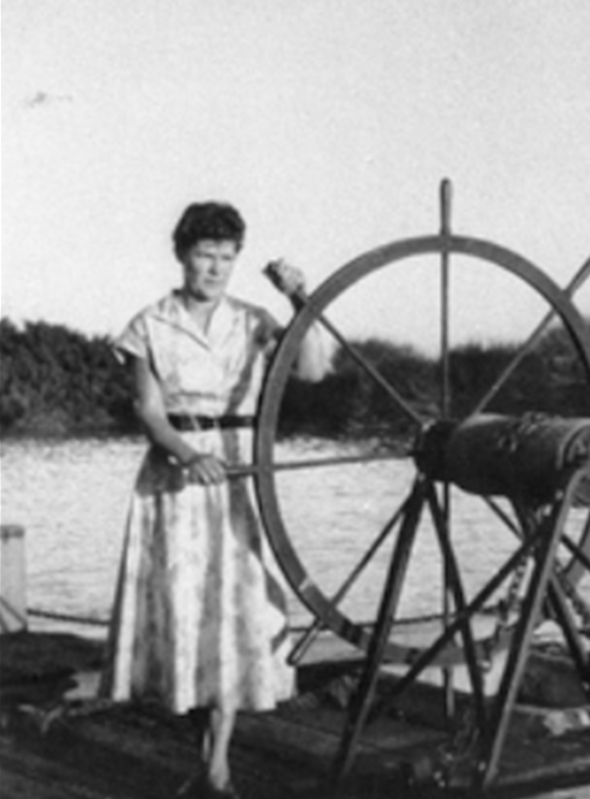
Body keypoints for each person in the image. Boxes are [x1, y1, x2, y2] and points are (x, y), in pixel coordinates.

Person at [100, 201, 329, 798]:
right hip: (175, 482)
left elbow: (313, 369)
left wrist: (302, 300)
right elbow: (149, 412)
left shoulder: (254, 319)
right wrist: (185, 453)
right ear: (182, 254)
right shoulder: (149, 323)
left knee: (235, 614)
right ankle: (207, 759)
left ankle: (218, 766)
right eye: (206, 255)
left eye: (228, 258)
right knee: (187, 614)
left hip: (240, 474)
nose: (216, 268)